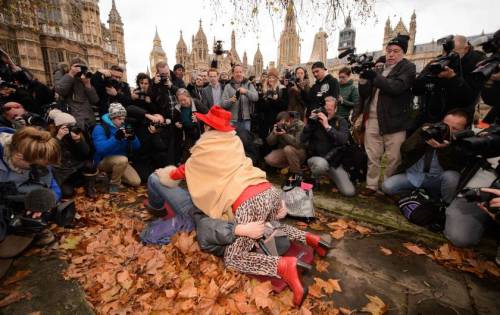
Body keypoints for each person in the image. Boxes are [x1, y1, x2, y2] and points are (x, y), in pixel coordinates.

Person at [155, 105, 331, 306]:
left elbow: (179, 173)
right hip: (268, 191)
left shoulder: (203, 150)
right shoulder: (234, 141)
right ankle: (311, 239)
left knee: (234, 258)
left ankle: (283, 266)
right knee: (268, 226)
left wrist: (163, 174)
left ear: (207, 128)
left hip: (247, 203)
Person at [356, 35, 417, 196]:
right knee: (373, 154)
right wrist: (363, 79)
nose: (391, 54)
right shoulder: (379, 69)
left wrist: (375, 77)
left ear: (403, 52)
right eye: (389, 51)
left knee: (393, 157)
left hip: (395, 120)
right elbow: (364, 94)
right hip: (374, 118)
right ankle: (371, 185)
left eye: (396, 51)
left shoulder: (408, 67)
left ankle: (388, 187)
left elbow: (395, 87)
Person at [381, 109, 469, 204]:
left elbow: (456, 166)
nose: (448, 130)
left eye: (455, 128)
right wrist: (422, 138)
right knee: (387, 187)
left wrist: (444, 148)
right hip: (413, 175)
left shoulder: (463, 142)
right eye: (446, 125)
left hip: (437, 179)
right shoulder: (428, 129)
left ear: (463, 130)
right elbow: (405, 149)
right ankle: (420, 197)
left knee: (452, 177)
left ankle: (446, 206)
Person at [0, 126, 61, 245]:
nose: (43, 168)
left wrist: (45, 202)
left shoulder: (35, 153)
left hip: (16, 192)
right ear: (19, 156)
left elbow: (52, 185)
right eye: (37, 166)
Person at [413, 35, 486, 126]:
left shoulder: (477, 64)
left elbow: (469, 98)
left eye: (453, 52)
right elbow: (416, 88)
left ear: (466, 49)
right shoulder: (439, 61)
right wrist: (431, 76)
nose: (448, 55)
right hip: (429, 117)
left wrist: (453, 78)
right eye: (446, 52)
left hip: (455, 123)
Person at [301, 96, 355, 197]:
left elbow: (343, 140)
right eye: (326, 109)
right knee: (322, 164)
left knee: (349, 192)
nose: (327, 112)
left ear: (336, 109)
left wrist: (327, 126)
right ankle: (313, 178)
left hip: (334, 161)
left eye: (330, 109)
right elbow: (302, 139)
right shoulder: (315, 121)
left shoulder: (341, 121)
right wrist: (310, 122)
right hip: (317, 160)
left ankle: (329, 176)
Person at [91, 103, 141, 193]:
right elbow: (101, 149)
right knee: (122, 160)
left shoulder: (125, 127)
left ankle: (111, 176)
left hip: (121, 162)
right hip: (103, 161)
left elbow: (136, 147)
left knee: (136, 182)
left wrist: (133, 138)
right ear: (111, 118)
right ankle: (114, 186)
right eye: (119, 119)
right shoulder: (100, 128)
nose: (122, 121)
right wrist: (116, 138)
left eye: (123, 118)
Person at [48, 109, 95, 198]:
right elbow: (50, 154)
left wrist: (78, 141)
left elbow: (86, 153)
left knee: (90, 165)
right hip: (64, 173)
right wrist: (59, 138)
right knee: (68, 194)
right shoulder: (51, 138)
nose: (70, 128)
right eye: (67, 126)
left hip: (76, 167)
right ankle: (72, 186)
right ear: (58, 127)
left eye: (72, 125)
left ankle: (89, 187)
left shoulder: (75, 134)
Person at [150, 61, 181, 165]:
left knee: (178, 143)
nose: (165, 76)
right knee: (167, 145)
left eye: (166, 73)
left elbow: (184, 94)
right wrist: (154, 85)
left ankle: (177, 164)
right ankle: (169, 167)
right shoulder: (154, 82)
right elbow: (151, 100)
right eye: (163, 74)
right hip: (165, 119)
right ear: (158, 73)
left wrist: (172, 86)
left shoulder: (177, 80)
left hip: (177, 118)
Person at [55, 58, 99, 130]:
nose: (80, 70)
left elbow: (95, 100)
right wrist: (71, 74)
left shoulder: (85, 79)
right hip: (73, 120)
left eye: (83, 68)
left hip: (89, 120)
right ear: (71, 67)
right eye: (77, 67)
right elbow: (60, 90)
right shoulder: (64, 76)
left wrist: (87, 84)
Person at [264, 111, 305, 175]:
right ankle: (290, 166)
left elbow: (298, 144)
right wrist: (273, 133)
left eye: (284, 122)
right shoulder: (280, 126)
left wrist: (285, 135)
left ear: (289, 120)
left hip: (300, 151)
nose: (283, 125)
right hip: (286, 152)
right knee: (269, 159)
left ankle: (296, 173)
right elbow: (270, 142)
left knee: (288, 149)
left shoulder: (300, 125)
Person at [174, 88, 208, 162]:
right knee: (187, 154)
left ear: (189, 97)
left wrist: (198, 119)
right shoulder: (177, 108)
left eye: (184, 100)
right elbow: (175, 119)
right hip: (187, 133)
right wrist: (177, 124)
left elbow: (207, 115)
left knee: (201, 152)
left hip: (199, 132)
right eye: (180, 101)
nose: (183, 102)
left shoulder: (196, 103)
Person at [221, 64, 258, 131]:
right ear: (233, 74)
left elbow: (256, 97)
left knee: (245, 140)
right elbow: (223, 104)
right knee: (233, 141)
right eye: (237, 72)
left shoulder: (248, 84)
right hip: (232, 121)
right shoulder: (228, 86)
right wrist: (230, 100)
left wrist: (246, 92)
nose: (239, 74)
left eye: (240, 72)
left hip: (246, 120)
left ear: (243, 73)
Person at [256, 68, 288, 141]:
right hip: (264, 121)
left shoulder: (282, 89)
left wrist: (275, 100)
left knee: (274, 143)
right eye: (269, 77)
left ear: (276, 78)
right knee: (264, 143)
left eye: (273, 78)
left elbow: (285, 106)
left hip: (276, 120)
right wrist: (262, 98)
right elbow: (259, 107)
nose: (271, 79)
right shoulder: (264, 89)